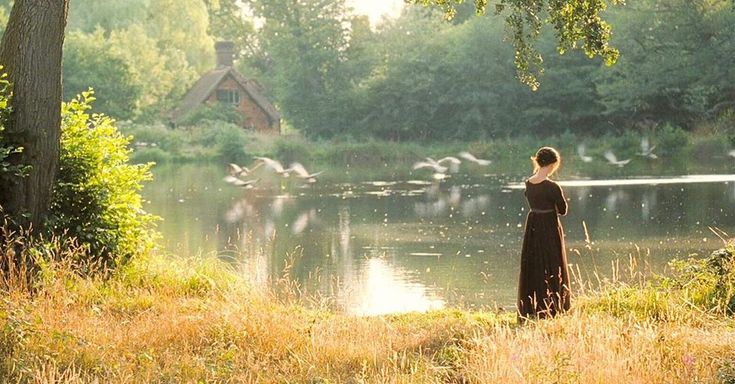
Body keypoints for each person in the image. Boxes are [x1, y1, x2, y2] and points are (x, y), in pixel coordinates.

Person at [517, 146, 570, 322]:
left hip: (533, 225)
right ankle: (554, 306)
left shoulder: (528, 183)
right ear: (553, 164)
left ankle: (532, 307)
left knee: (534, 264)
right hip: (549, 226)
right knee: (553, 264)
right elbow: (563, 210)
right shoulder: (553, 186)